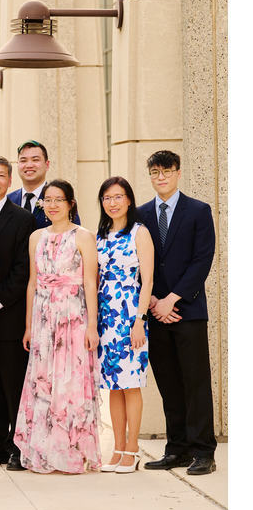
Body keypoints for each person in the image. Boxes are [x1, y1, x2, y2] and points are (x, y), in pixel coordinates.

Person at [137, 151, 217, 476]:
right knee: (168, 383)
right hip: (156, 312)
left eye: (166, 171)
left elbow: (203, 259)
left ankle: (203, 452)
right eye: (155, 172)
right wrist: (155, 300)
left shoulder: (198, 210)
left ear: (178, 173)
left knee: (195, 382)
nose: (161, 177)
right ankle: (177, 449)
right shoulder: (141, 214)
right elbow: (139, 262)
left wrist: (173, 298)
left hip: (189, 311)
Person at [13, 180, 102, 473]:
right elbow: (32, 283)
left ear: (70, 203)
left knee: (70, 380)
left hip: (73, 315)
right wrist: (28, 325)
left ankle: (71, 450)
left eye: (58, 200)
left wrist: (92, 325)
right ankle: (44, 449)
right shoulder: (35, 237)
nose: (52, 205)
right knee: (43, 381)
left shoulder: (84, 236)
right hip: (42, 317)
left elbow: (90, 281)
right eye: (47, 200)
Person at [0, 157, 35, 471]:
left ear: (9, 181)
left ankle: (18, 445)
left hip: (8, 316)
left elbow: (23, 270)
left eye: (1, 176)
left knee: (14, 384)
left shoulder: (23, 219)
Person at [96, 177, 154, 473]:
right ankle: (117, 448)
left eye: (118, 197)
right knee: (113, 387)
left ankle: (133, 449)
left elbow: (148, 281)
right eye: (107, 198)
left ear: (129, 200)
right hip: (105, 317)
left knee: (130, 385)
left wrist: (139, 320)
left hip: (130, 316)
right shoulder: (101, 234)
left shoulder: (139, 233)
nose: (113, 202)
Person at [7, 141, 80, 229]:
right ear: (17, 165)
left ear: (47, 165)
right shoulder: (8, 200)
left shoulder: (61, 199)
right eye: (23, 160)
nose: (29, 165)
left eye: (35, 160)